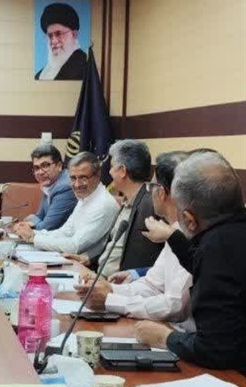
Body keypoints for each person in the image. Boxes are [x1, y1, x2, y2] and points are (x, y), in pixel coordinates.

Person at [135, 152, 246, 373]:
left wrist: (165, 337)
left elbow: (215, 349)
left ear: (189, 219)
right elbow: (199, 263)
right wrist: (174, 238)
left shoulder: (216, 248)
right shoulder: (233, 231)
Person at [76, 152, 193, 325]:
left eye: (151, 186)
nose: (149, 193)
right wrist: (111, 289)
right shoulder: (174, 229)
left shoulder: (188, 235)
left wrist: (111, 300)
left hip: (181, 333)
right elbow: (152, 286)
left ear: (161, 192)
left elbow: (175, 305)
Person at [66, 139, 162, 275]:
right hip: (99, 276)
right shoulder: (126, 201)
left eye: (111, 167)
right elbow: (115, 248)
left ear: (122, 171)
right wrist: (89, 259)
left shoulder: (150, 206)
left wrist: (130, 277)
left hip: (122, 284)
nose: (109, 172)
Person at [17, 151, 118, 257]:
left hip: (88, 265)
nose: (77, 185)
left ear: (97, 176)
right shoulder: (86, 197)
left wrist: (33, 238)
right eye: (73, 178)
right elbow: (65, 232)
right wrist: (32, 233)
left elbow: (75, 246)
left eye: (83, 178)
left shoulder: (103, 204)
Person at [13, 144, 76, 233]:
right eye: (36, 168)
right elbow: (40, 216)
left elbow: (45, 228)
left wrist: (31, 218)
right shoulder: (49, 183)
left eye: (45, 166)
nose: (40, 172)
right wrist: (32, 221)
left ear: (59, 166)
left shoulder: (65, 187)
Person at [35, 2, 87, 81]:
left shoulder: (85, 67)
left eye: (59, 34)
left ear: (74, 34)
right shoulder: (41, 75)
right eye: (50, 35)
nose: (54, 41)